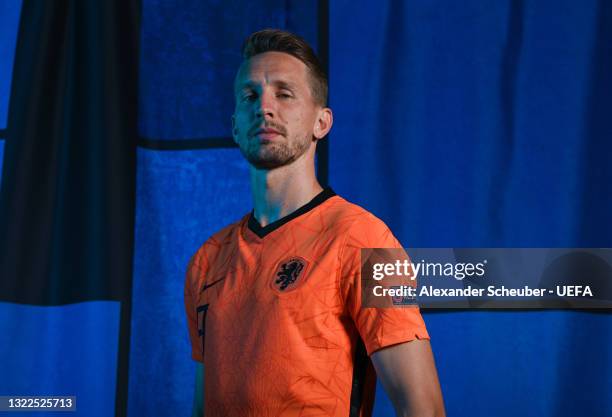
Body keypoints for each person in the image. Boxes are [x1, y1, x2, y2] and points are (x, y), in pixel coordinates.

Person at [184, 29, 445, 417]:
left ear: (321, 123)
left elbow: (423, 407)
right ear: (236, 126)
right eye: (250, 96)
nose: (264, 108)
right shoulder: (207, 260)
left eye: (284, 94)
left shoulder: (361, 239)